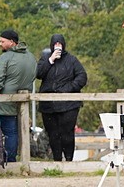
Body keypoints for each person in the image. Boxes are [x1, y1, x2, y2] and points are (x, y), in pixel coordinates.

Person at [35, 34, 88, 162]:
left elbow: (82, 77)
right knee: (53, 134)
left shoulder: (72, 60)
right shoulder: (45, 59)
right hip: (48, 104)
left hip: (68, 104)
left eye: (60, 44)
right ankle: (57, 161)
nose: (58, 46)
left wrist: (69, 88)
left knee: (67, 133)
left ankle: (69, 160)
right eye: (55, 44)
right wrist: (50, 60)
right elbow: (38, 74)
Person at [0, 29, 35, 163]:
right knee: (16, 132)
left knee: (5, 132)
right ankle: (13, 159)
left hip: (5, 101)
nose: (0, 44)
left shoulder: (6, 57)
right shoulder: (31, 57)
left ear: (12, 42)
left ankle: (3, 160)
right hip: (23, 101)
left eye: (2, 41)